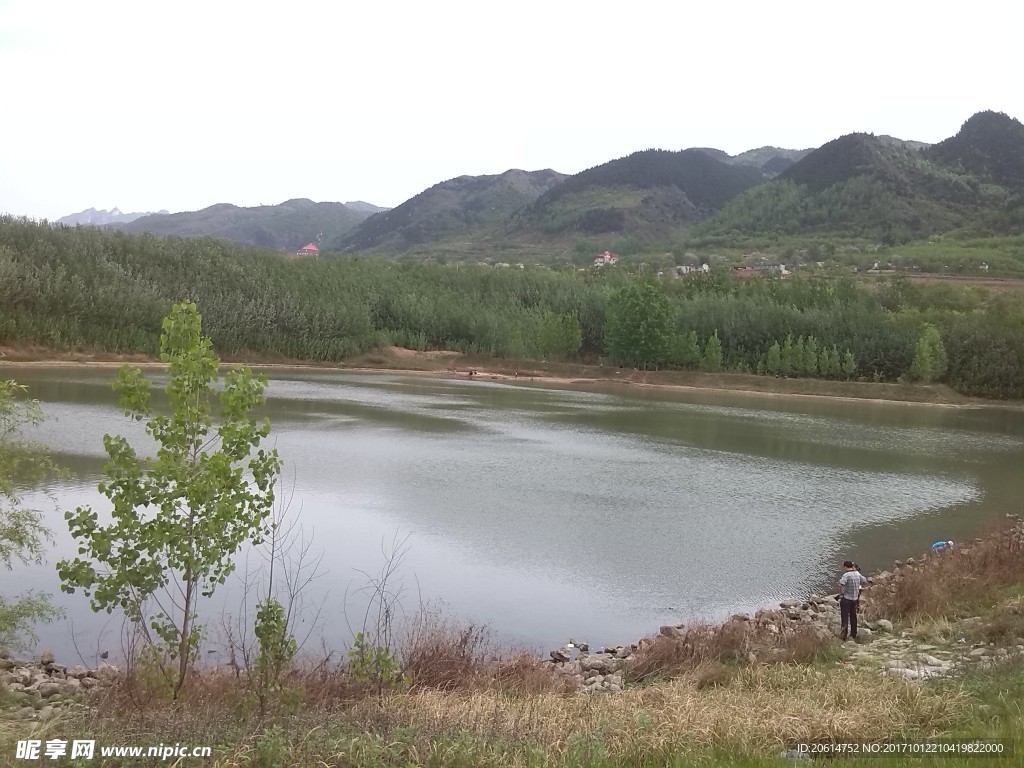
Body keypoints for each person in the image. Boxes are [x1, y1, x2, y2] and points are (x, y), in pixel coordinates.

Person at [837, 560, 867, 641]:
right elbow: (864, 580)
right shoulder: (857, 574)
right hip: (854, 599)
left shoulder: (846, 575)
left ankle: (844, 635)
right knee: (853, 617)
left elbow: (841, 584)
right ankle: (853, 633)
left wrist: (841, 593)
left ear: (845, 566)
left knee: (845, 617)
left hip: (846, 598)